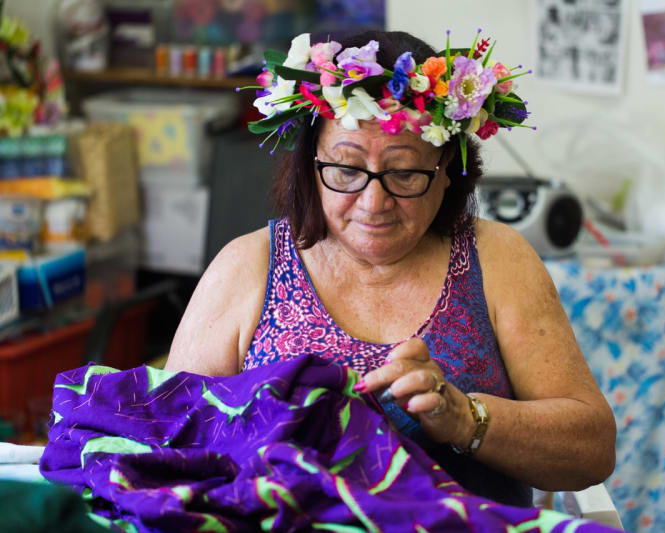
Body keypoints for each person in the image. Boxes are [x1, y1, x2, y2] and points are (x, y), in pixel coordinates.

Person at [165, 29, 616, 507]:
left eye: (404, 172)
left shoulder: (496, 258)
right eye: (346, 169)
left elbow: (592, 450)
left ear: (447, 174)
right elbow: (166, 440)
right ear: (310, 167)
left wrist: (465, 418)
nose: (373, 202)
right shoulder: (248, 266)